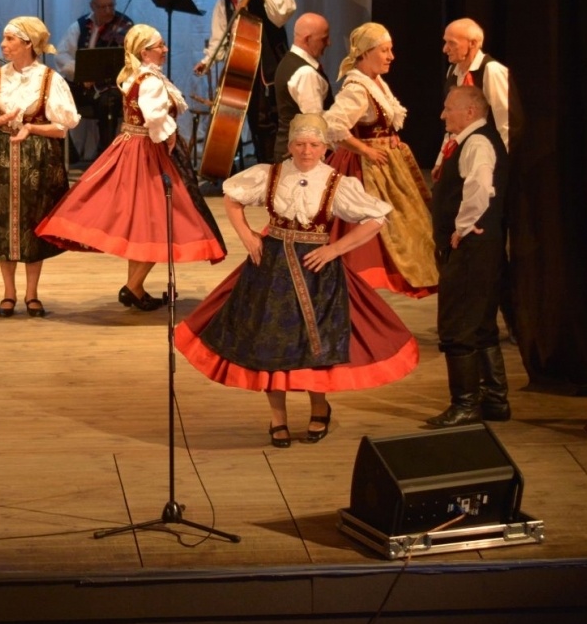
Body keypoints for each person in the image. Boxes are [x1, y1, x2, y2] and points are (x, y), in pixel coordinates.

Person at [174, 114, 419, 446]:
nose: (307, 151)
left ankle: (319, 406)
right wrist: (246, 235)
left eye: (315, 145)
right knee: (269, 340)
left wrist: (336, 250)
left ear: (325, 147)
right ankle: (278, 417)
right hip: (271, 269)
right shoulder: (271, 174)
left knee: (313, 341)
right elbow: (233, 199)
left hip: (317, 271)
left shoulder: (336, 182)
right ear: (290, 145)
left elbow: (376, 218)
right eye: (300, 144)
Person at [36, 24, 226, 308]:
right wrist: (170, 132)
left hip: (131, 147)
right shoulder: (149, 81)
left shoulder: (137, 75)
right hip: (148, 152)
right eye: (159, 46)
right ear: (144, 51)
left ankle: (135, 290)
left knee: (141, 222)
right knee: (160, 222)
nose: (165, 49)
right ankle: (132, 286)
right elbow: (153, 117)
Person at [0, 17, 80, 317]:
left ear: (28, 43)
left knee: (32, 222)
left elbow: (62, 127)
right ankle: (8, 292)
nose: (3, 44)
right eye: (4, 38)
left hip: (38, 160)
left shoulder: (49, 79)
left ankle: (32, 293)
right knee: (2, 222)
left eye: (10, 39)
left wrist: (32, 129)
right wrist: (1, 121)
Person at [323, 22, 439, 297]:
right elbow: (333, 125)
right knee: (372, 223)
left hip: (387, 161)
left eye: (391, 50)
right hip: (366, 167)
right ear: (365, 52)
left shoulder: (375, 82)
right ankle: (376, 271)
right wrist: (364, 150)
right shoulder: (356, 88)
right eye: (384, 51)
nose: (391, 56)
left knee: (406, 220)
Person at [427, 85, 510, 427]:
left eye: (449, 109)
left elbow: (479, 187)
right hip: (483, 249)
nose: (443, 114)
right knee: (481, 325)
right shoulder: (469, 140)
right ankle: (494, 399)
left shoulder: (477, 143)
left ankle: (465, 405)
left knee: (457, 325)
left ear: (470, 112)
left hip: (473, 249)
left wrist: (461, 228)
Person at [193, 0, 298, 163]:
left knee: (272, 120)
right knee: (256, 122)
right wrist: (207, 61)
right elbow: (220, 35)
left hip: (270, 68)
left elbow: (283, 14)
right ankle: (262, 167)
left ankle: (278, 169)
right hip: (244, 70)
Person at [52, 0, 133, 162]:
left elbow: (131, 60)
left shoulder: (125, 25)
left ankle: (105, 155)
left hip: (110, 87)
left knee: (109, 101)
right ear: (92, 6)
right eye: (102, 7)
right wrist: (82, 72)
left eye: (111, 5)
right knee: (53, 96)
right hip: (83, 85)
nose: (109, 11)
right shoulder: (80, 26)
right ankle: (68, 153)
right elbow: (61, 55)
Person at [439, 17, 511, 153]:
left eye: (451, 43)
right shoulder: (452, 71)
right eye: (445, 42)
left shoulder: (491, 70)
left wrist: (499, 160)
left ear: (472, 43)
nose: (445, 49)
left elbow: (506, 124)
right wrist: (442, 158)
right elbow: (452, 122)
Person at [271, 13, 332, 163]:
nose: (328, 43)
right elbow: (315, 124)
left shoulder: (288, 62)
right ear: (307, 39)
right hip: (300, 159)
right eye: (323, 39)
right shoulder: (305, 73)